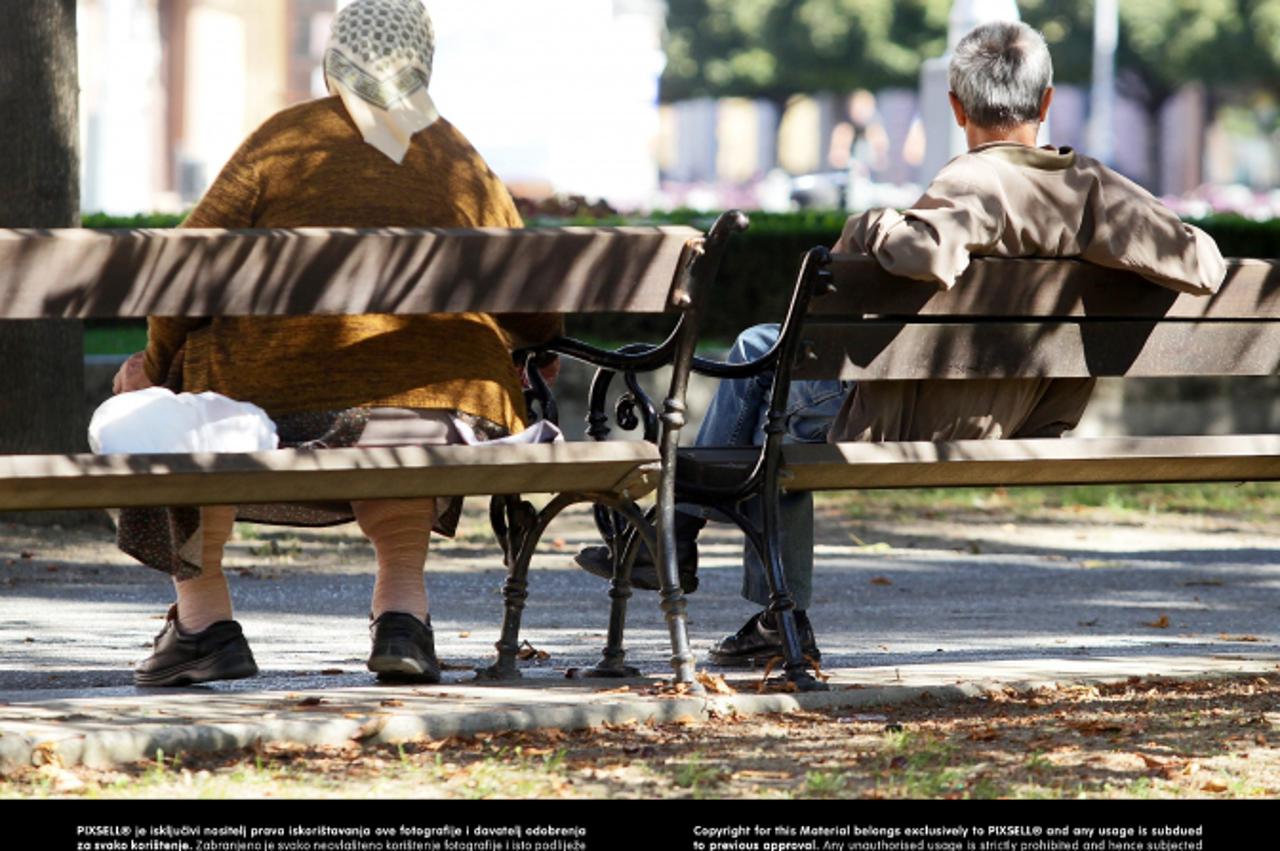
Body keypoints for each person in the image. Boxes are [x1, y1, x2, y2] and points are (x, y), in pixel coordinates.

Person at [576, 20, 1227, 666]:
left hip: (909, 413)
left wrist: (878, 222)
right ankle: (709, 565)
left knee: (758, 361)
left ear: (956, 106)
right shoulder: (1093, 187)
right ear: (1047, 101)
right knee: (769, 390)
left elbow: (926, 251)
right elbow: (1202, 262)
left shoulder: (976, 179)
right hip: (1022, 412)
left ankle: (681, 544)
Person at [113, 0, 558, 687]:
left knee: (170, 413)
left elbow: (182, 273)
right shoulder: (456, 153)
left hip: (286, 406)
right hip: (450, 419)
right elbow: (534, 304)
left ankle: (203, 624)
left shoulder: (286, 140)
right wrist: (538, 343)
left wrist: (156, 365)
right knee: (401, 397)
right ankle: (403, 619)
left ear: (334, 58)